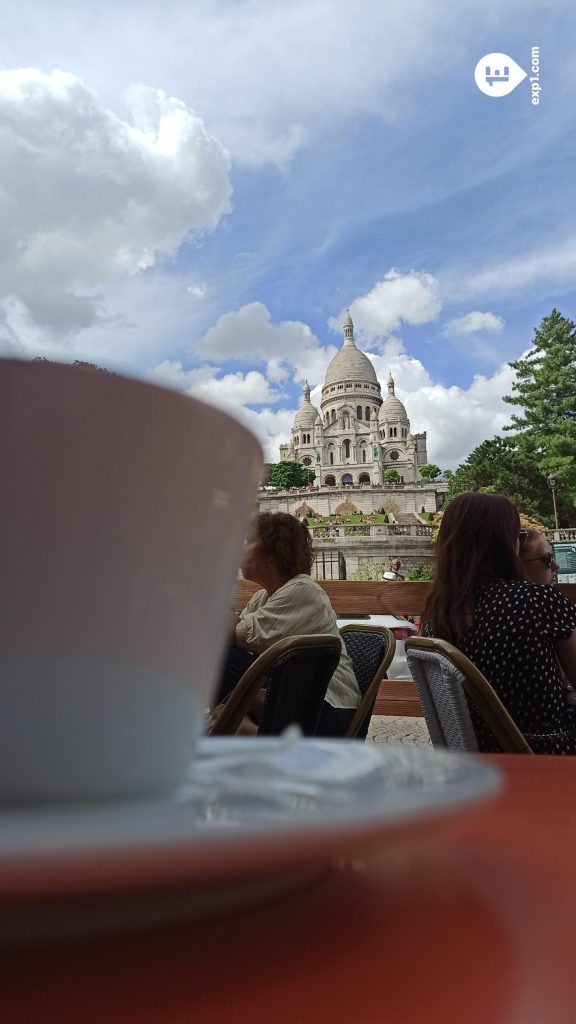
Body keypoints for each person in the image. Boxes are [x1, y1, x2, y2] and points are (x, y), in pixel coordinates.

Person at [421, 492, 576, 754]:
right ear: (504, 542)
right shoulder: (537, 599)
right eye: (517, 533)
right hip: (544, 753)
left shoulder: (436, 612)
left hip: (471, 759)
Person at [214, 512, 360, 736]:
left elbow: (228, 634)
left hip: (327, 712)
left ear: (274, 552)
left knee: (223, 662)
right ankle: (242, 727)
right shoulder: (263, 597)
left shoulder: (302, 590)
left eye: (249, 542)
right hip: (299, 702)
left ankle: (242, 729)